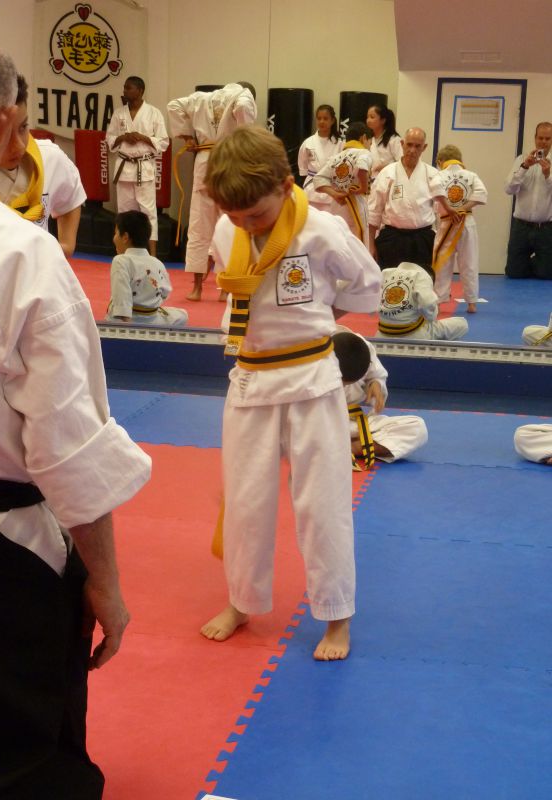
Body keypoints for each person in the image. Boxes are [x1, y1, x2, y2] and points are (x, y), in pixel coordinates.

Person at [0, 30, 151, 799]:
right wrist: (106, 583)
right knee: (19, 758)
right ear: (7, 122)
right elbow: (68, 446)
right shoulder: (14, 253)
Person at [200, 125, 382, 661]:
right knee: (245, 503)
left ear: (285, 186)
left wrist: (324, 312)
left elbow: (368, 284)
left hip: (311, 381)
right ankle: (242, 601)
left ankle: (336, 616)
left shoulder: (321, 230)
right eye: (234, 215)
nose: (245, 224)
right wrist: (239, 223)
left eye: (255, 214)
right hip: (250, 379)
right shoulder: (227, 230)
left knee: (323, 505)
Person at [167, 82, 257, 300]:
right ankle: (225, 289)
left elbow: (173, 106)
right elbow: (244, 108)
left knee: (199, 225)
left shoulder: (203, 97)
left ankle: (197, 289)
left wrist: (188, 136)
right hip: (228, 160)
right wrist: (244, 134)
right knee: (230, 224)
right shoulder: (243, 95)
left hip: (204, 161)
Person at [0, 74, 86, 258]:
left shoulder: (49, 157)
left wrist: (66, 245)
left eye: (23, 127)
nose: (18, 145)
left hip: (37, 271)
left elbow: (72, 197)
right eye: (5, 135)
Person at [368, 127, 459, 271]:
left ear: (424, 147)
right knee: (391, 281)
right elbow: (374, 211)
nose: (412, 150)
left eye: (417, 146)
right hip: (392, 238)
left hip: (422, 239)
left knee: (422, 281)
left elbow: (441, 213)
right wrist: (371, 244)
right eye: (409, 145)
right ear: (402, 144)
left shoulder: (433, 174)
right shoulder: (387, 173)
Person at [333, 329, 428, 463]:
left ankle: (350, 448)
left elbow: (377, 374)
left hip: (350, 424)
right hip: (319, 425)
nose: (344, 386)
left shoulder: (361, 348)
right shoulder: (313, 358)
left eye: (349, 383)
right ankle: (334, 446)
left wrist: (375, 383)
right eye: (342, 382)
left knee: (417, 428)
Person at [106, 75, 169, 256]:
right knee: (123, 213)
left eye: (129, 88)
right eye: (124, 88)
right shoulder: (119, 113)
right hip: (124, 167)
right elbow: (109, 139)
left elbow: (163, 142)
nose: (124, 91)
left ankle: (153, 255)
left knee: (148, 212)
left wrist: (142, 138)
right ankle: (121, 253)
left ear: (140, 91)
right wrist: (124, 137)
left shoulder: (154, 113)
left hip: (144, 167)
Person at [106, 210, 188, 326]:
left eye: (116, 233)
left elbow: (122, 301)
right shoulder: (157, 263)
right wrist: (149, 302)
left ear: (125, 237)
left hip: (128, 321)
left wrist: (127, 329)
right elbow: (165, 292)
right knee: (182, 315)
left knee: (116, 311)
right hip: (152, 319)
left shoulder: (120, 260)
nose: (114, 238)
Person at [433, 144, 488, 313]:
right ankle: (472, 303)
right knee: (469, 262)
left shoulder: (439, 175)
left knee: (442, 263)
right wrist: (463, 208)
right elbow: (482, 194)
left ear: (440, 161)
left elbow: (435, 192)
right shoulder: (471, 175)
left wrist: (450, 209)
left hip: (447, 223)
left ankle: (438, 301)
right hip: (466, 222)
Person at [504, 122, 552, 279]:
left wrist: (548, 175)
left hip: (546, 228)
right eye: (540, 138)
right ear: (535, 138)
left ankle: (540, 264)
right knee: (514, 273)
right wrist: (524, 167)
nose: (543, 142)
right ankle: (529, 264)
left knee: (547, 275)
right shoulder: (521, 159)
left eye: (547, 138)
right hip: (521, 226)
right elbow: (509, 189)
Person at [313, 121, 372, 245]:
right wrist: (363, 187)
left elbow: (318, 179)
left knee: (339, 241)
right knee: (358, 244)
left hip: (338, 205)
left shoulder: (336, 157)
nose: (369, 146)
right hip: (356, 204)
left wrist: (334, 194)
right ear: (363, 138)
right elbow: (362, 167)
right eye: (370, 143)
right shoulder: (363, 153)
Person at [376, 261, 469, 340]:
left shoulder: (385, 272)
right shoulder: (421, 275)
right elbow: (428, 304)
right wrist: (431, 315)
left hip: (380, 336)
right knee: (462, 324)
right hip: (414, 337)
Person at [297, 104, 342, 210]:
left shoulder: (340, 144)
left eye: (325, 118)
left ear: (332, 120)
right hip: (311, 189)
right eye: (319, 118)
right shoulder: (308, 143)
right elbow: (303, 170)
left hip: (331, 189)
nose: (322, 121)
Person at [365, 103, 402, 178]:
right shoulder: (367, 138)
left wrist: (385, 167)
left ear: (382, 120)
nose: (368, 120)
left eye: (372, 117)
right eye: (367, 117)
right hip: (370, 179)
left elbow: (402, 163)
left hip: (388, 178)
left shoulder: (394, 139)